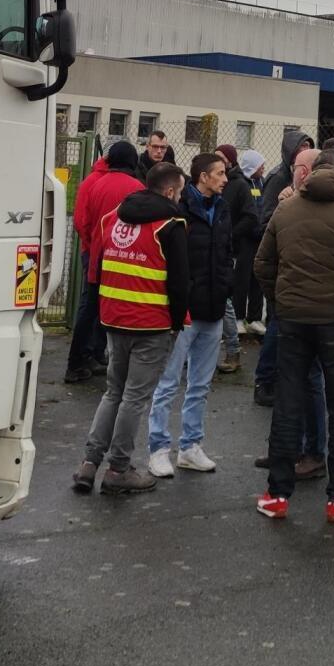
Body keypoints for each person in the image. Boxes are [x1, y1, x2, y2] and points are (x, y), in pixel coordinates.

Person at [253, 149, 334, 523]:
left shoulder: (286, 210)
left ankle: (276, 494)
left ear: (308, 173)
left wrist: (280, 303)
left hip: (292, 320)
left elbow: (263, 264)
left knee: (288, 402)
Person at [73, 161, 188, 495]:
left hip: (113, 318)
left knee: (114, 392)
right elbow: (180, 282)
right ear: (169, 191)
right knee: (135, 398)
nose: (179, 197)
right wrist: (177, 324)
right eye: (179, 191)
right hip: (151, 322)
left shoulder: (114, 217)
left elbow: (95, 266)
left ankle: (89, 463)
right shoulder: (170, 224)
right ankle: (119, 468)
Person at [147, 152, 236, 478]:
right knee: (168, 383)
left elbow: (226, 252)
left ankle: (190, 447)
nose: (225, 178)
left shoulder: (223, 209)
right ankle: (157, 449)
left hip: (212, 309)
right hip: (184, 312)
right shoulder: (179, 211)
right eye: (219, 173)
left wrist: (225, 286)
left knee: (200, 384)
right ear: (202, 177)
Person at [64, 140, 144, 384]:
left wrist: (93, 244)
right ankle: (95, 360)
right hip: (124, 260)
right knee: (107, 310)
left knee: (90, 308)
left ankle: (81, 359)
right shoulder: (137, 188)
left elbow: (83, 221)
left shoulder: (96, 184)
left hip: (97, 256)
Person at [219, 149, 264, 366]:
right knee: (239, 280)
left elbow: (254, 212)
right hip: (239, 241)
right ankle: (236, 322)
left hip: (251, 239)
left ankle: (250, 318)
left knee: (251, 279)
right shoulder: (238, 185)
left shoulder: (252, 184)